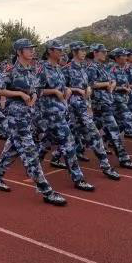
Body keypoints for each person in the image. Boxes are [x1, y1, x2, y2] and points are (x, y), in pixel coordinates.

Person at [0, 38, 67, 206]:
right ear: (19, 52)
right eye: (28, 49)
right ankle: (46, 191)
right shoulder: (11, 70)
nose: (32, 51)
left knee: (12, 149)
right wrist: (19, 94)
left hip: (29, 115)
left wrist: (33, 95)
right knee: (30, 153)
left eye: (33, 48)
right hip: (16, 116)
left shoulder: (33, 69)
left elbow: (37, 89)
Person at [36, 40, 96, 191]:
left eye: (62, 50)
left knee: (46, 141)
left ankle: (33, 164)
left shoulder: (58, 68)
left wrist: (67, 90)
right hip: (49, 112)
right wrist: (54, 92)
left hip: (61, 110)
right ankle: (78, 178)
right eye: (58, 50)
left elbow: (63, 86)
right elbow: (36, 90)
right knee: (69, 144)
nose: (62, 52)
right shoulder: (42, 68)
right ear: (50, 51)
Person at [63, 42, 120, 180]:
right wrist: (76, 90)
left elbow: (89, 84)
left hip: (83, 107)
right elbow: (62, 88)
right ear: (74, 51)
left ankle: (105, 166)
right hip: (71, 109)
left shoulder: (84, 67)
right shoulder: (66, 69)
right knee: (71, 137)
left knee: (90, 135)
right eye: (81, 50)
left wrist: (88, 88)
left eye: (85, 50)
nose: (84, 52)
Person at [86, 44, 132, 170]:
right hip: (100, 103)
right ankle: (124, 159)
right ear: (95, 53)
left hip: (106, 101)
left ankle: (72, 149)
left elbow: (112, 80)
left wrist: (113, 84)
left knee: (89, 131)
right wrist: (107, 84)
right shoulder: (91, 67)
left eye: (106, 52)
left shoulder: (103, 67)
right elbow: (91, 84)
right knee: (114, 130)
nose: (105, 54)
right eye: (103, 52)